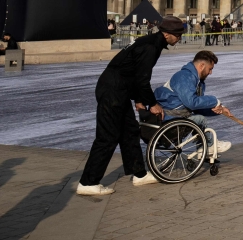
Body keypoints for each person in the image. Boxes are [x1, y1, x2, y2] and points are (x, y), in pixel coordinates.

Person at [77, 16, 185, 195]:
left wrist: (138, 99)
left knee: (130, 132)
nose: (180, 38)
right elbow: (142, 79)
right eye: (178, 34)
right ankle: (88, 183)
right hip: (113, 89)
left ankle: (140, 174)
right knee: (107, 136)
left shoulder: (151, 42)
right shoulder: (151, 47)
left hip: (119, 89)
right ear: (166, 34)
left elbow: (134, 73)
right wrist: (152, 104)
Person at [153, 50, 232, 155]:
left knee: (198, 117)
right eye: (210, 69)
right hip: (169, 119)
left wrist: (220, 109)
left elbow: (197, 106)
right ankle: (209, 145)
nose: (210, 72)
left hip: (178, 116)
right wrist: (215, 101)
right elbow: (192, 103)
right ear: (202, 65)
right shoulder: (184, 77)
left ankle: (202, 147)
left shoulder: (198, 81)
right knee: (200, 119)